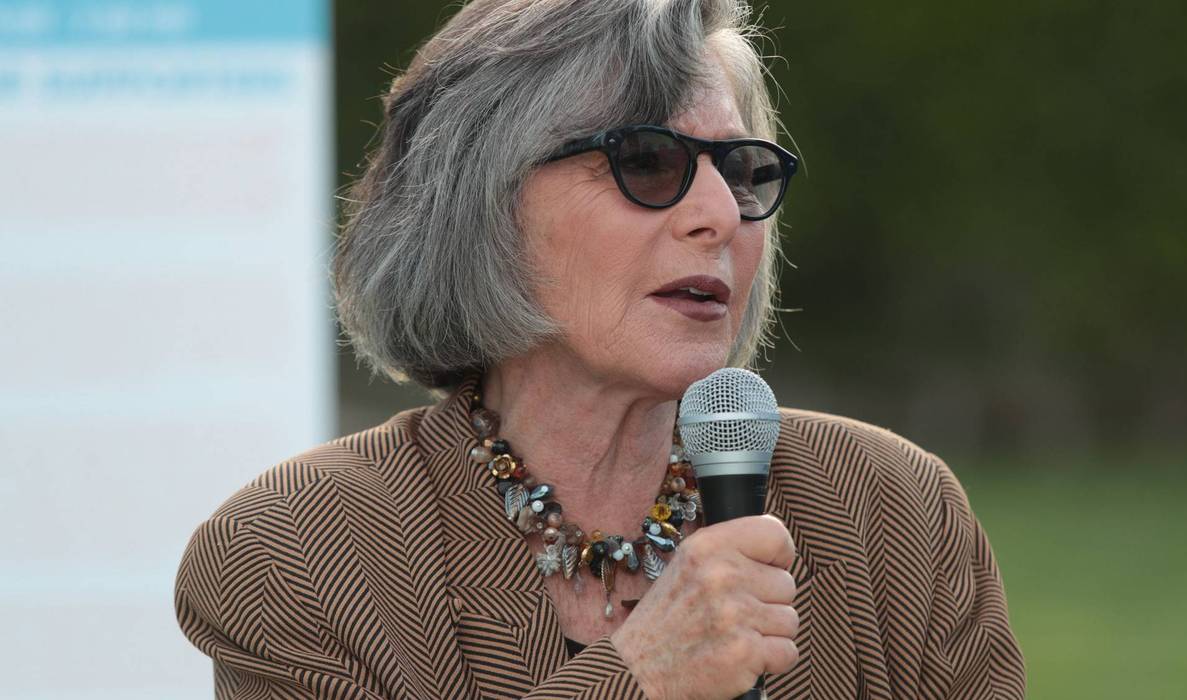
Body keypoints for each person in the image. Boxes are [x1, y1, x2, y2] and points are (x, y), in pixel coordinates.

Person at [174, 0, 1026, 697]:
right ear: (481, 205)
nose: (719, 215)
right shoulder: (299, 552)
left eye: (739, 171)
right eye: (649, 162)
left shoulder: (889, 513)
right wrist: (643, 675)